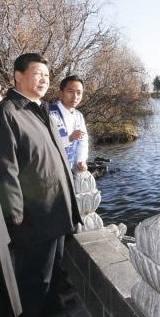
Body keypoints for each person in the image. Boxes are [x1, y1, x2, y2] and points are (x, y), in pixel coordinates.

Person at [0, 53, 82, 316]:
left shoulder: (41, 109)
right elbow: (6, 169)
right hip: (35, 219)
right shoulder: (10, 113)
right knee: (37, 283)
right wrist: (17, 220)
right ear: (19, 76)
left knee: (56, 276)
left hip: (56, 211)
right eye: (38, 74)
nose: (44, 80)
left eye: (47, 75)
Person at [49, 75, 88, 171]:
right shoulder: (49, 113)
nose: (75, 96)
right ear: (61, 93)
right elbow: (46, 144)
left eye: (79, 93)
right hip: (52, 169)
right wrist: (69, 138)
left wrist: (81, 161)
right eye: (70, 92)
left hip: (70, 169)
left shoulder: (79, 116)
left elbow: (83, 142)